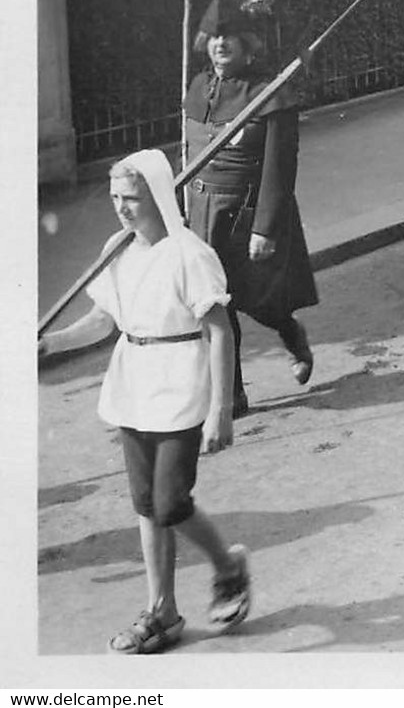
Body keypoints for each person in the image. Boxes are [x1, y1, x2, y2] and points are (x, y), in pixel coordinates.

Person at [38, 151, 250, 654]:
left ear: (157, 196)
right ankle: (163, 610)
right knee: (145, 505)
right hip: (133, 383)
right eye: (115, 198)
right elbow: (103, 320)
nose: (121, 208)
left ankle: (227, 565)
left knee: (171, 502)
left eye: (130, 198)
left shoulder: (189, 254)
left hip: (180, 384)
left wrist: (221, 408)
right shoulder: (118, 249)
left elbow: (219, 331)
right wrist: (50, 344)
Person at [181, 0, 318, 417]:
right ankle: (233, 393)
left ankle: (291, 333)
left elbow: (280, 169)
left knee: (259, 300)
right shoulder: (199, 86)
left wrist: (265, 227)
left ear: (248, 45)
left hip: (244, 215)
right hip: (203, 212)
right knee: (215, 304)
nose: (222, 44)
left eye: (232, 37)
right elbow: (187, 151)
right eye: (216, 38)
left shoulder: (269, 93)